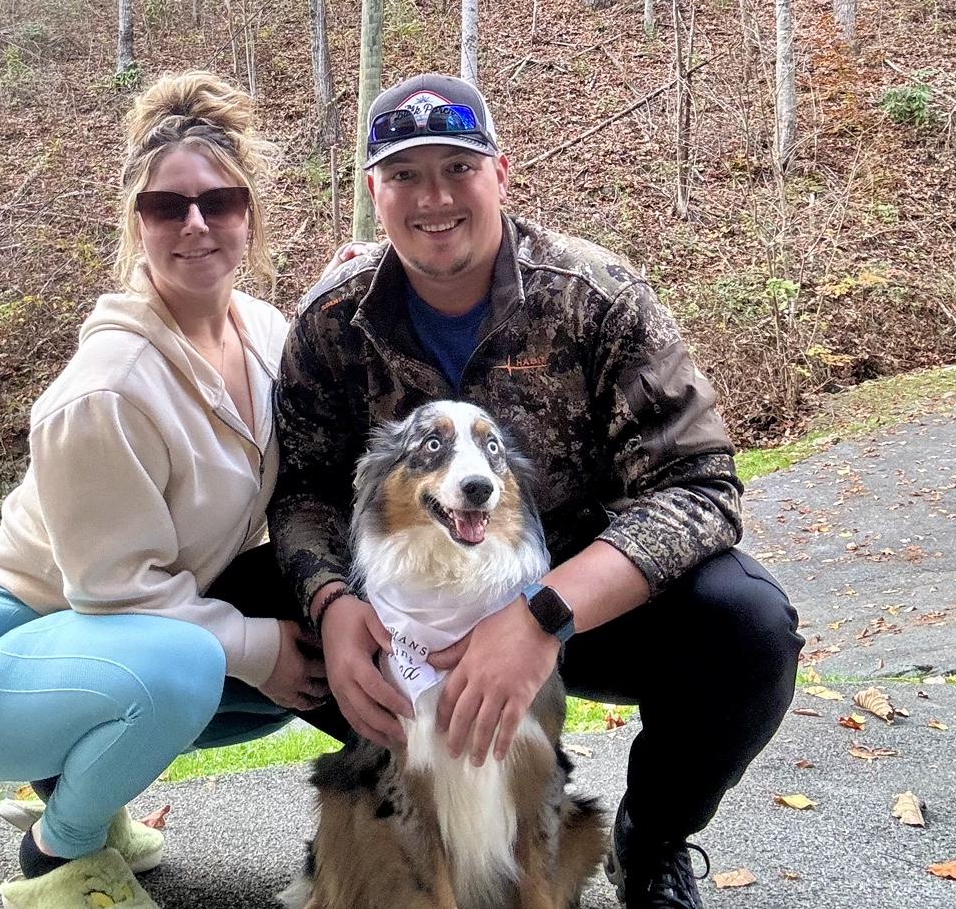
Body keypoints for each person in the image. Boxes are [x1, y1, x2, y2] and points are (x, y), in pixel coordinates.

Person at [269, 72, 804, 909]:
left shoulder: (597, 296)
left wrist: (541, 616)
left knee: (750, 629)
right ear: (374, 192)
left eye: (458, 167)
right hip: (403, 617)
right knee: (237, 599)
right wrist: (331, 605)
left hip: (583, 608)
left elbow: (701, 488)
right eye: (405, 174)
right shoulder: (333, 322)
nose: (434, 197)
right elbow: (303, 489)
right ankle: (399, 826)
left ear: (501, 172)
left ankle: (651, 839)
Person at [0, 71, 326, 909]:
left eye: (219, 201)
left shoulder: (263, 333)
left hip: (102, 643)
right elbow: (112, 593)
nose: (195, 223)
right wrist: (257, 649)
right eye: (166, 207)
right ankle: (57, 853)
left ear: (250, 214)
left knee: (281, 671)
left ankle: (78, 791)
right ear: (136, 223)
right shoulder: (107, 387)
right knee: (199, 663)